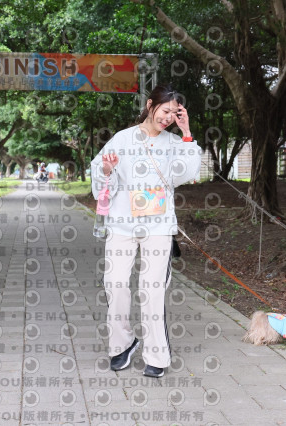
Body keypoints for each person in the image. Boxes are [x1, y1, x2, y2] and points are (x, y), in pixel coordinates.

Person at [90, 84, 202, 378]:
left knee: (151, 290)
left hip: (158, 226)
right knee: (114, 283)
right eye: (165, 110)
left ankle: (156, 354)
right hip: (121, 223)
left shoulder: (174, 142)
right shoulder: (122, 138)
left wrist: (186, 132)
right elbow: (101, 180)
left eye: (174, 113)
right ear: (150, 105)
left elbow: (188, 173)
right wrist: (107, 170)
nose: (167, 117)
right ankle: (122, 344)